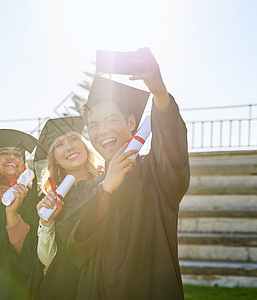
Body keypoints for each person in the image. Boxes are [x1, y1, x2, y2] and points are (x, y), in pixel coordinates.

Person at [68, 48, 190, 299]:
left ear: (132, 124)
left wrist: (159, 93)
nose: (102, 131)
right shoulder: (91, 188)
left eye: (112, 120)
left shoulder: (155, 174)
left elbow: (172, 151)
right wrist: (106, 190)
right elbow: (78, 246)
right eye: (93, 125)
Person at [34, 116, 103, 300]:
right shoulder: (53, 200)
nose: (70, 146)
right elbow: (48, 260)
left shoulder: (107, 181)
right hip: (70, 289)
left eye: (73, 139)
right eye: (59, 144)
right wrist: (46, 223)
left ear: (84, 145)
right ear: (54, 159)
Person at [0, 129, 44, 300]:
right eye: (4, 153)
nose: (12, 157)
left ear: (23, 166)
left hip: (21, 286)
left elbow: (31, 253)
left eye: (17, 154)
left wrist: (13, 216)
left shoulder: (33, 201)